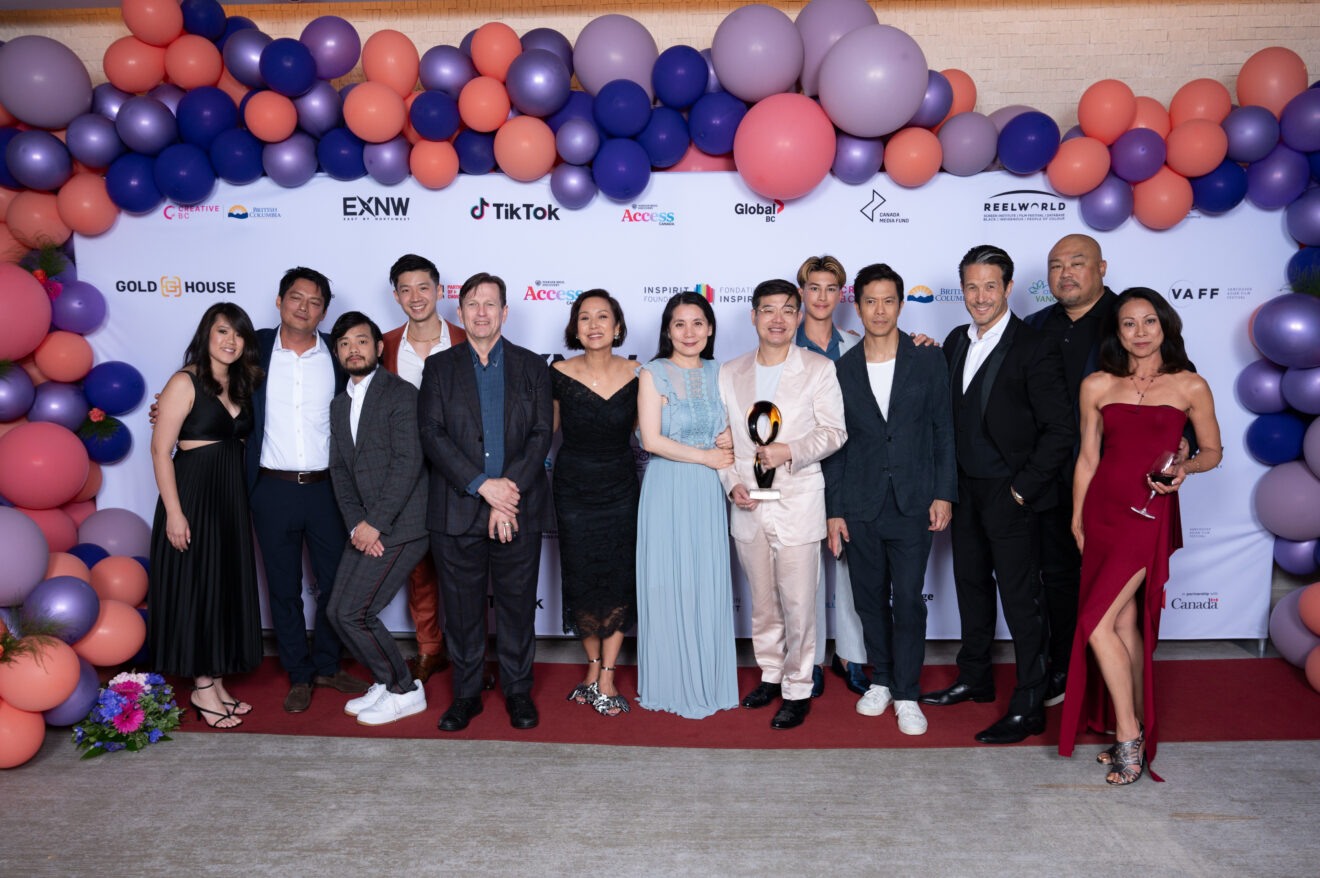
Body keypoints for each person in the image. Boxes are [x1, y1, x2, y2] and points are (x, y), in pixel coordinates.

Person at [1026, 234, 1198, 706]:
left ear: (1102, 268)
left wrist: (1183, 447)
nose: (1065, 273)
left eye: (1077, 262)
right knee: (1057, 582)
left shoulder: (1132, 320)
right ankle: (1065, 671)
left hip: (1126, 493)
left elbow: (1179, 400)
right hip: (1052, 483)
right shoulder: (1034, 326)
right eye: (1055, 265)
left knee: (1122, 607)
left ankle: (1122, 702)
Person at [1059, 287, 1222, 784]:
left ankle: (1129, 736)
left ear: (1165, 325)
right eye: (1128, 323)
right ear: (1117, 332)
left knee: (1095, 624)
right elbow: (1088, 458)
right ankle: (1132, 728)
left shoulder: (1190, 385)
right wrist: (1077, 517)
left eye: (1149, 321)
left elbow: (1212, 451)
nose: (1140, 332)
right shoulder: (1097, 385)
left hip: (1148, 514)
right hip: (1102, 512)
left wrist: (1186, 468)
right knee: (1123, 623)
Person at [920, 245, 1075, 745]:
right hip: (963, 491)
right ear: (962, 290)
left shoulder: (1035, 345)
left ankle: (1030, 703)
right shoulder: (954, 341)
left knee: (1022, 601)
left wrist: (1021, 491)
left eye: (990, 286)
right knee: (970, 587)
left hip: (1012, 495)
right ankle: (975, 677)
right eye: (972, 286)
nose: (980, 296)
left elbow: (1060, 430)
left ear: (1008, 288)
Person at [824, 264, 956, 736]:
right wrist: (834, 511)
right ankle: (881, 678)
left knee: (909, 603)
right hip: (860, 503)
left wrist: (944, 493)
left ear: (900, 305)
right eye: (870, 301)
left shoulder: (928, 359)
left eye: (888, 300)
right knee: (868, 600)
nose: (879, 310)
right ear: (857, 307)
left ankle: (906, 691)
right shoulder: (841, 369)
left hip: (914, 501)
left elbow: (943, 430)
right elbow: (836, 446)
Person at [419, 272, 553, 732]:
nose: (481, 312)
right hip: (456, 510)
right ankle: (466, 694)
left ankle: (518, 692)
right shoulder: (439, 368)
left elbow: (541, 433)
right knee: (461, 613)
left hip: (518, 506)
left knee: (517, 608)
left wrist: (505, 490)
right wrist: (482, 485)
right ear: (459, 313)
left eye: (490, 304)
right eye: (472, 304)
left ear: (505, 312)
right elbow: (432, 435)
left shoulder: (533, 366)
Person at [719, 279, 847, 730]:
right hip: (748, 506)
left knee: (799, 604)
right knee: (763, 603)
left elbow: (834, 431)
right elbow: (724, 441)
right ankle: (771, 674)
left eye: (788, 310)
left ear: (798, 317)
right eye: (768, 310)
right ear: (753, 316)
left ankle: (798, 687)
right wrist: (731, 484)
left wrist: (789, 450)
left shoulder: (818, 368)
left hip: (797, 502)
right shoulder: (729, 371)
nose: (778, 319)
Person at [249, 268, 369, 713]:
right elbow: (208, 373)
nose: (304, 307)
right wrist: (169, 402)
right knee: (283, 587)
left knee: (336, 583)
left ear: (324, 311)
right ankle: (298, 673)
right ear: (279, 301)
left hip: (328, 488)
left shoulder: (339, 354)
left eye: (315, 302)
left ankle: (327, 665)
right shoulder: (254, 348)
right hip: (272, 487)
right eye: (296, 298)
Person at [148, 303, 264, 729]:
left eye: (238, 334)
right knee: (196, 586)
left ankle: (216, 682)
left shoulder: (242, 383)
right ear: (206, 335)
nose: (231, 341)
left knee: (221, 587)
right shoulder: (185, 381)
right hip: (193, 497)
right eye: (222, 331)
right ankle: (201, 687)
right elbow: (160, 450)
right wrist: (175, 514)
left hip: (229, 500)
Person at [635, 291, 738, 719]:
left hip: (708, 491)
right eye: (679, 324)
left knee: (705, 581)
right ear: (668, 330)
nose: (689, 332)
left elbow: (743, 422)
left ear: (710, 329)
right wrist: (707, 456)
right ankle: (670, 679)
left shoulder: (723, 372)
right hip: (667, 487)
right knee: (666, 582)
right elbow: (651, 440)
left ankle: (709, 678)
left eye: (698, 323)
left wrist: (733, 435)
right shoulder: (652, 373)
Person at [325, 312, 430, 726]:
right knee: (338, 612)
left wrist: (376, 524)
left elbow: (408, 462)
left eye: (362, 341)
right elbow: (339, 470)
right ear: (337, 353)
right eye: (345, 343)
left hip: (403, 525)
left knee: (356, 613)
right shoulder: (339, 404)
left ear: (379, 347)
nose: (353, 349)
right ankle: (387, 681)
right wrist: (357, 525)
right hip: (365, 527)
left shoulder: (401, 393)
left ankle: (404, 690)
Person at [551, 290, 641, 717]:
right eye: (584, 317)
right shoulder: (557, 373)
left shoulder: (640, 373)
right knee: (581, 579)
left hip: (620, 488)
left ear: (617, 327)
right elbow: (544, 431)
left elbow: (652, 431)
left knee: (618, 578)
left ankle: (608, 674)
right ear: (575, 328)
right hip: (573, 489)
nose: (593, 324)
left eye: (603, 316)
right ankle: (591, 668)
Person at [380, 253, 467, 687]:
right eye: (405, 289)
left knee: (467, 567)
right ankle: (430, 648)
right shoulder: (383, 345)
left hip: (461, 471)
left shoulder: (468, 338)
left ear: (439, 290)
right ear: (396, 296)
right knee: (419, 567)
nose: (415, 297)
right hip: (406, 475)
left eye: (423, 287)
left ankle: (471, 653)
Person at [795, 254, 869, 698]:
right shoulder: (783, 344)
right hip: (799, 469)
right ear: (801, 292)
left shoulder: (858, 344)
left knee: (850, 564)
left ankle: (851, 655)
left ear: (841, 295)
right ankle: (813, 658)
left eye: (830, 288)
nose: (822, 297)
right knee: (805, 571)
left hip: (852, 467)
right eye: (813, 288)